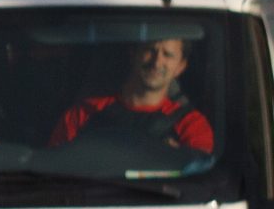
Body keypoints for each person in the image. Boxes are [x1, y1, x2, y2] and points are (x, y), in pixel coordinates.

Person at [49, 36, 214, 155]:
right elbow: (55, 172)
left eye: (168, 55)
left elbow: (200, 183)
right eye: (150, 50)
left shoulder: (191, 125)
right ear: (133, 54)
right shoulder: (83, 113)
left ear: (181, 66)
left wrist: (177, 157)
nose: (157, 62)